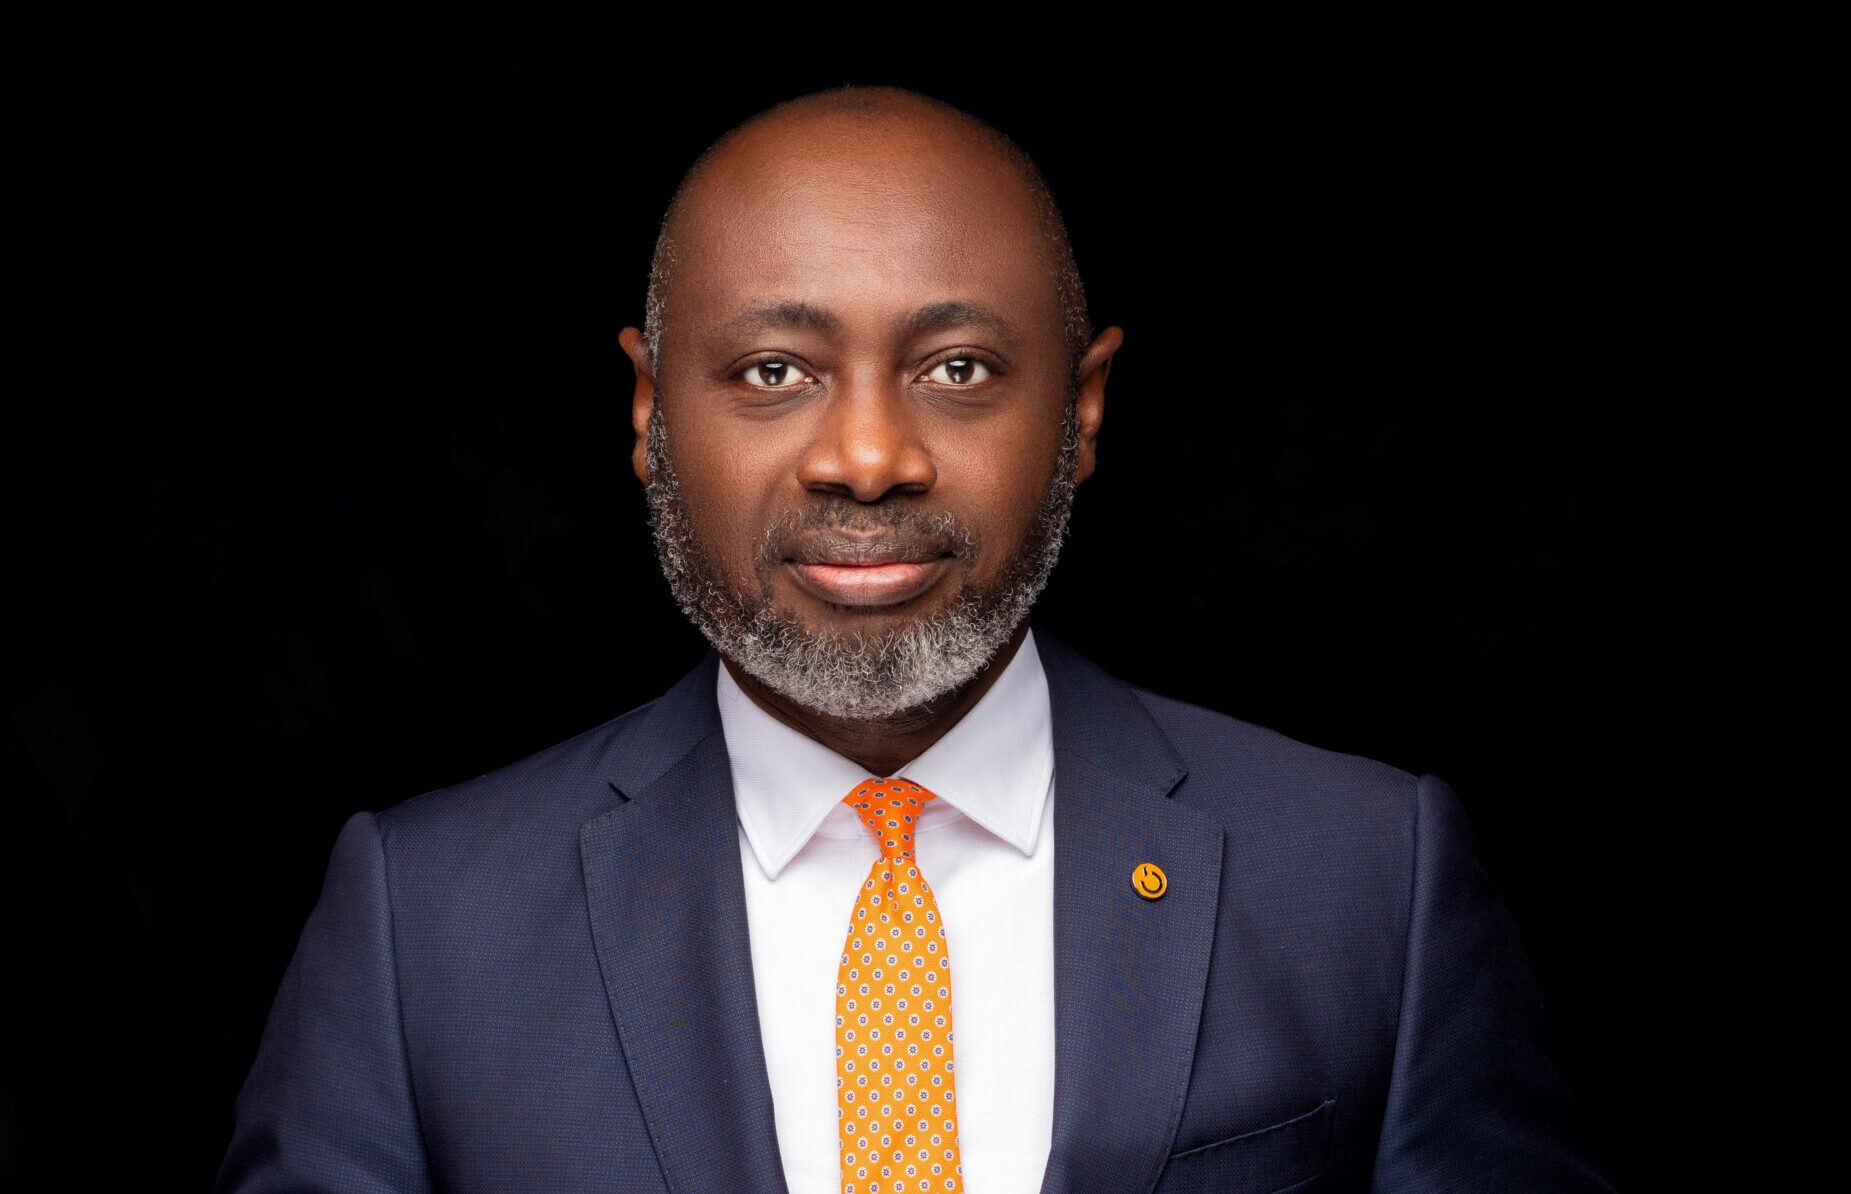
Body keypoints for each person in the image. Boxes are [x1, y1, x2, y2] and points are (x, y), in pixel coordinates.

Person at [219, 87, 1613, 1194]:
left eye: (958, 368)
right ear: (650, 414)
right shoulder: (422, 926)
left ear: (1082, 409)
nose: (870, 456)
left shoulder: (1370, 880)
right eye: (775, 370)